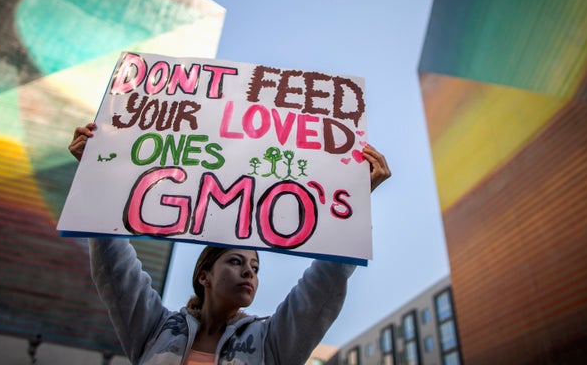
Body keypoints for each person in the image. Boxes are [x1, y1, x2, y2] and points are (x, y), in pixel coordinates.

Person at [69, 122, 390, 365]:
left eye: (255, 266)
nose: (249, 272)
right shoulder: (156, 328)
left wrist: (356, 201)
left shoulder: (271, 341)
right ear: (203, 275)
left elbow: (324, 285)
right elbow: (114, 268)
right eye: (236, 262)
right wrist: (96, 172)